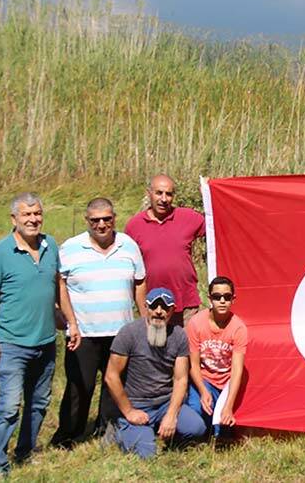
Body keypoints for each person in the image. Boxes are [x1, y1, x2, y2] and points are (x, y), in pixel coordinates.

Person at [0, 193, 79, 478]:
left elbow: (58, 284)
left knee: (38, 403)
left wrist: (70, 321)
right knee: (10, 406)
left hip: (45, 342)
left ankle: (25, 451)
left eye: (37, 214)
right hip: (12, 344)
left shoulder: (51, 246)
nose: (33, 219)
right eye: (27, 215)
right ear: (14, 219)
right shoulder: (0, 253)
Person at [50, 198, 148, 449]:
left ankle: (108, 428)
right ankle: (69, 434)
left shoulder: (129, 245)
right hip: (84, 332)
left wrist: (144, 318)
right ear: (87, 221)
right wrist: (68, 320)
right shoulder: (70, 248)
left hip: (121, 332)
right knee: (78, 386)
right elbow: (59, 284)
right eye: (95, 220)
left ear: (114, 218)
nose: (102, 224)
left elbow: (139, 282)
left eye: (107, 219)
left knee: (114, 383)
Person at [105, 287, 206, 458]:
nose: (159, 312)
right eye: (154, 306)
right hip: (137, 403)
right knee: (147, 455)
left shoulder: (179, 335)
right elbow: (111, 376)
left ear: (172, 310)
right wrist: (129, 411)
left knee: (197, 429)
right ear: (146, 307)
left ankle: (159, 430)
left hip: (164, 402)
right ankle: (119, 431)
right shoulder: (129, 333)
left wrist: (171, 415)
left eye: (165, 308)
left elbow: (181, 379)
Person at [125, 174, 205, 324]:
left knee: (186, 347)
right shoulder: (134, 226)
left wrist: (208, 195)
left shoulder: (189, 217)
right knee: (156, 346)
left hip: (186, 304)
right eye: (159, 193)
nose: (164, 199)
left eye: (169, 194)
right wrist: (141, 309)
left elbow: (217, 224)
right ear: (149, 193)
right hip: (153, 304)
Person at [185, 276, 248, 439]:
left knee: (224, 429)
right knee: (195, 417)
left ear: (233, 299)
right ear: (209, 298)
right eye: (217, 297)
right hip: (204, 379)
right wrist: (202, 390)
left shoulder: (239, 328)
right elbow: (193, 364)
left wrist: (228, 405)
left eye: (227, 297)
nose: (222, 301)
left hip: (227, 382)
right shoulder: (195, 323)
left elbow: (237, 370)